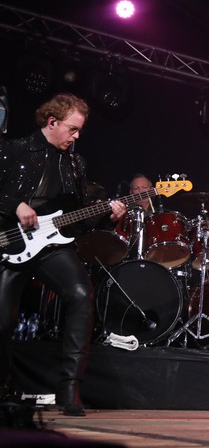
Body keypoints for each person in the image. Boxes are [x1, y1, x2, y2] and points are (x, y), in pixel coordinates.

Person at [0, 93, 126, 416]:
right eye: (72, 129)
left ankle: (70, 388)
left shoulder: (75, 164)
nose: (76, 136)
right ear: (52, 122)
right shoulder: (13, 149)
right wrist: (15, 204)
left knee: (82, 294)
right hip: (9, 243)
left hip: (51, 245)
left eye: (80, 130)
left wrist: (108, 216)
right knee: (3, 318)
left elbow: (79, 217)